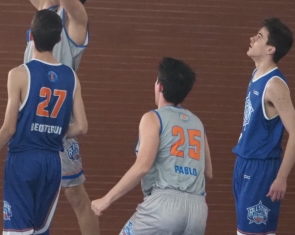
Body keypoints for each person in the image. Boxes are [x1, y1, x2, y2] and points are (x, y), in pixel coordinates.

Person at [14, 0, 100, 235]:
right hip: (30, 118)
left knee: (76, 197)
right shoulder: (46, 8)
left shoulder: (77, 20)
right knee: (30, 194)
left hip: (56, 120)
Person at [0, 9, 88, 235]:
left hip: (23, 159)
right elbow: (82, 127)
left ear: (31, 36)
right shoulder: (71, 77)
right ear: (59, 39)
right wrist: (54, 132)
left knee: (17, 231)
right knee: (40, 230)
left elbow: (9, 128)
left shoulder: (19, 74)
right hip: (52, 162)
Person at [90, 58, 210, 235]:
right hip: (197, 210)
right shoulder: (197, 123)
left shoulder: (153, 118)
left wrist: (107, 199)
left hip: (164, 206)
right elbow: (208, 172)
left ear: (160, 86)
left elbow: (143, 166)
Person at [232, 19, 295, 235]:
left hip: (261, 168)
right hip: (244, 161)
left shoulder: (274, 85)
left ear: (271, 49)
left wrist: (281, 177)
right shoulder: (256, 75)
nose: (252, 39)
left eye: (259, 37)